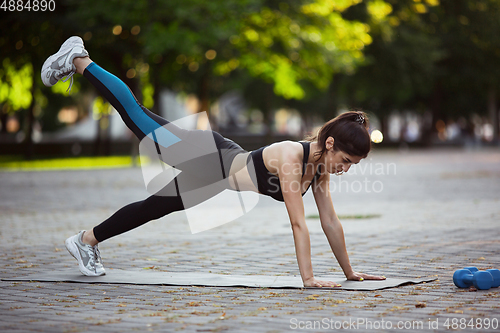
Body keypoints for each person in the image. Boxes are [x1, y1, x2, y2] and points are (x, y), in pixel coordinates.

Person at [42, 36, 385, 288]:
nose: (346, 168)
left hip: (216, 172)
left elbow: (330, 221)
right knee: (135, 113)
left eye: (352, 164)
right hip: (206, 156)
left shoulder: (319, 169)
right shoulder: (291, 158)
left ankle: (86, 240)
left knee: (154, 207)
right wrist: (308, 279)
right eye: (346, 159)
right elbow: (299, 224)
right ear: (329, 143)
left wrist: (349, 272)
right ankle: (79, 58)